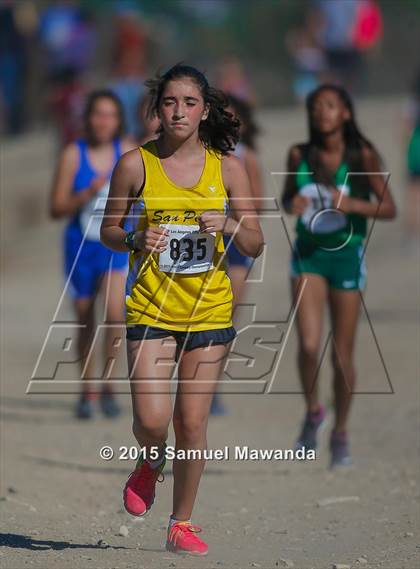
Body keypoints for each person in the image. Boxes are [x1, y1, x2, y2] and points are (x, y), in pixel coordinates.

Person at [100, 64, 264, 555]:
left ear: (204, 110)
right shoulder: (135, 164)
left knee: (191, 422)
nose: (179, 111)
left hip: (210, 311)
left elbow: (256, 244)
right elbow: (109, 230)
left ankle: (181, 522)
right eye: (170, 102)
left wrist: (230, 224)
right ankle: (151, 462)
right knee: (152, 422)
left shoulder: (229, 167)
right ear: (157, 108)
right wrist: (133, 237)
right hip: (151, 308)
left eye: (189, 103)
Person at [282, 84, 396, 468]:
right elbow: (286, 199)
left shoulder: (361, 155)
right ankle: (314, 411)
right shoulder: (300, 154)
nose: (322, 113)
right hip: (308, 256)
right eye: (316, 107)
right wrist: (292, 202)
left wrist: (353, 204)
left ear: (345, 113)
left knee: (341, 355)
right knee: (309, 345)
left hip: (346, 256)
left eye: (330, 106)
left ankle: (341, 432)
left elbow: (389, 207)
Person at [50, 89, 133, 419]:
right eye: (98, 114)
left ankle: (109, 384)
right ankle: (88, 389)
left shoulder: (126, 151)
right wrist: (86, 192)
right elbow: (56, 208)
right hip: (80, 245)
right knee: (85, 318)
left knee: (115, 313)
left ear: (118, 120)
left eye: (110, 115)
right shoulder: (74, 154)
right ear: (88, 118)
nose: (104, 121)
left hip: (113, 243)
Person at [210, 95, 263, 416]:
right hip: (203, 241)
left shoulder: (247, 158)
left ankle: (211, 385)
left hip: (236, 245)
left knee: (226, 316)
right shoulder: (202, 156)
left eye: (235, 117)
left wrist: (235, 218)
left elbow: (256, 206)